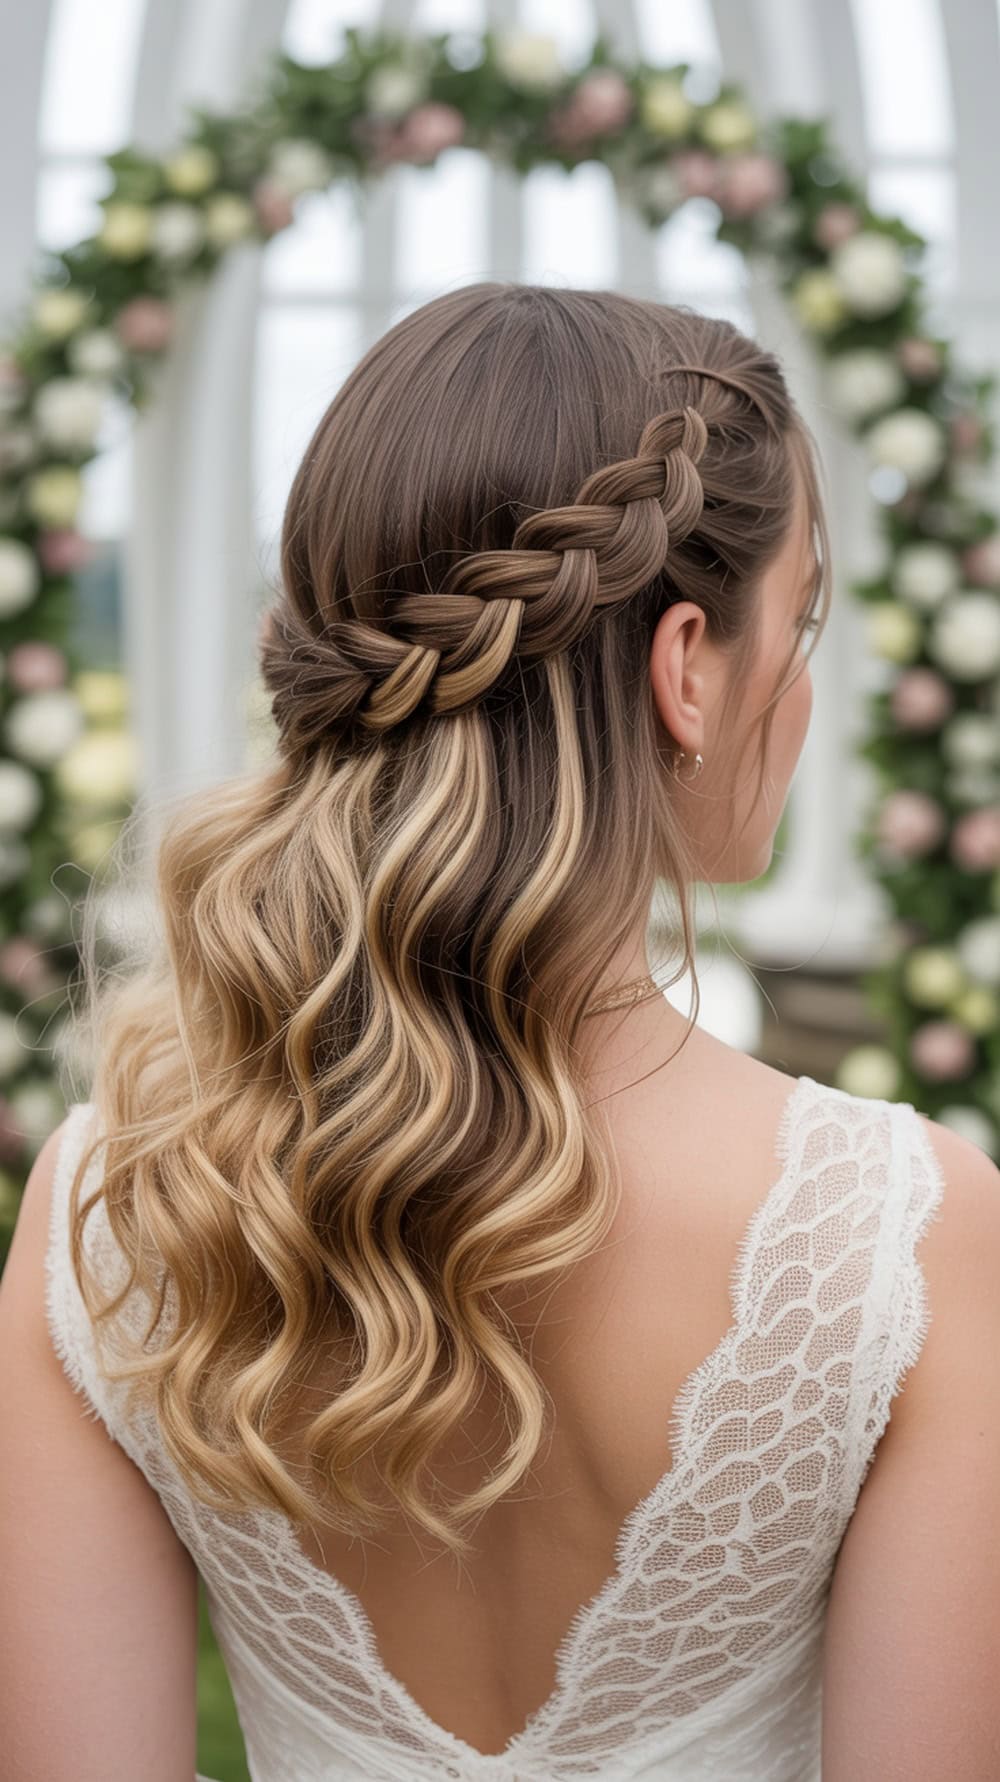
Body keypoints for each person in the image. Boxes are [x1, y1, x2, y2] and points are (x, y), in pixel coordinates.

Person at [1, 282, 998, 1782]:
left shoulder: (114, 1201)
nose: (801, 692)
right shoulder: (914, 1238)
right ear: (685, 668)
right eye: (803, 625)